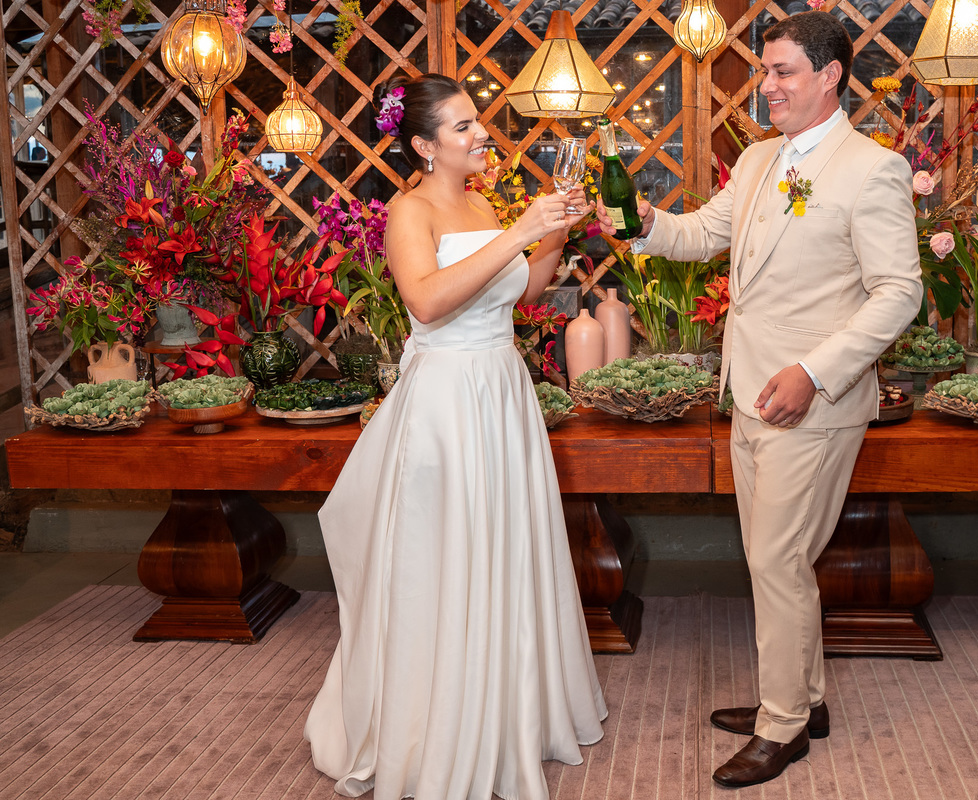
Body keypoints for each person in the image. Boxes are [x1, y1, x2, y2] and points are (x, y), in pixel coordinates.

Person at [597, 12, 922, 789]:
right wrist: (643, 222)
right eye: (765, 71)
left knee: (776, 560)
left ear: (830, 76)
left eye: (782, 72)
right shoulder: (756, 159)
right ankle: (803, 700)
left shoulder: (870, 169)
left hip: (811, 401)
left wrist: (813, 371)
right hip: (747, 393)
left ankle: (785, 728)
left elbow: (899, 292)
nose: (766, 87)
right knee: (777, 561)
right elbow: (700, 236)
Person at [305, 73, 607, 800]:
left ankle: (509, 709)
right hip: (446, 403)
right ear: (423, 145)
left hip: (500, 391)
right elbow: (428, 301)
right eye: (464, 127)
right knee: (446, 559)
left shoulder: (479, 200)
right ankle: (437, 730)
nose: (481, 135)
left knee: (505, 548)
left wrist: (556, 229)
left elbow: (522, 292)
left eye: (478, 122)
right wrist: (522, 229)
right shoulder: (410, 211)